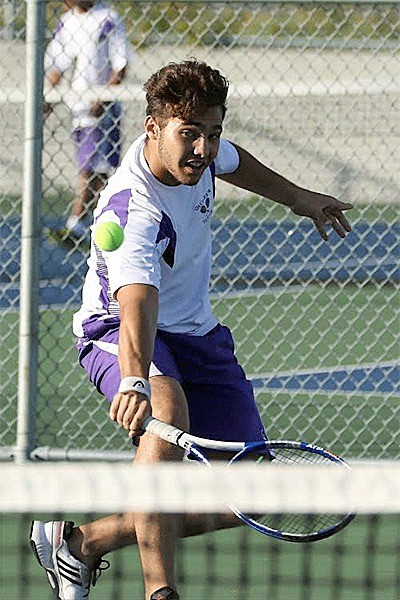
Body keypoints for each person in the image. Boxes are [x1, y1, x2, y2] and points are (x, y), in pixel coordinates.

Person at [30, 60, 353, 599]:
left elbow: (234, 162)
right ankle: (161, 592)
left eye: (212, 132)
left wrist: (300, 199)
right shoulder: (134, 211)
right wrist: (134, 380)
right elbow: (136, 306)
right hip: (115, 328)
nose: (203, 148)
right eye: (190, 134)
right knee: (165, 411)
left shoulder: (199, 155)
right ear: (151, 129)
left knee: (250, 496)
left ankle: (82, 543)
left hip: (197, 335)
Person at [44, 0, 133, 248]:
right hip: (78, 107)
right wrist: (48, 97)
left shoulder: (108, 19)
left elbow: (121, 63)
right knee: (93, 167)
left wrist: (103, 97)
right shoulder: (68, 22)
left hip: (104, 108)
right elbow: (57, 64)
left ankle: (78, 223)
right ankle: (90, 224)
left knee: (94, 167)